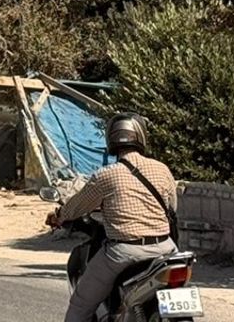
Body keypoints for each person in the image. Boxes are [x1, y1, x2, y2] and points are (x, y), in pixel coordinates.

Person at [47, 114, 178, 322]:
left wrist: (58, 217)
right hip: (166, 248)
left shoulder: (106, 175)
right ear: (141, 136)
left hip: (124, 252)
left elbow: (76, 207)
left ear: (111, 140)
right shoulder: (162, 169)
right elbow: (172, 208)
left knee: (81, 304)